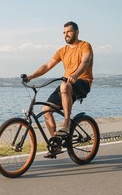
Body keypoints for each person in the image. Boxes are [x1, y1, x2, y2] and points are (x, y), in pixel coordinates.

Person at [25, 21, 93, 156]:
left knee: (65, 85)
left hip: (82, 82)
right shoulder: (63, 50)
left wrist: (76, 74)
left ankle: (66, 124)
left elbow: (85, 62)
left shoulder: (85, 46)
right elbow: (47, 65)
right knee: (46, 110)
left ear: (76, 32)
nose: (66, 35)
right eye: (64, 33)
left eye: (69, 32)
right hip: (66, 83)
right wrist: (31, 76)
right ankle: (55, 144)